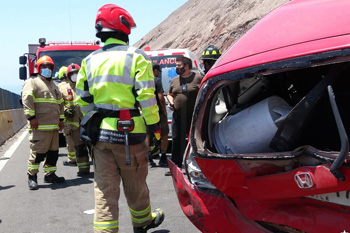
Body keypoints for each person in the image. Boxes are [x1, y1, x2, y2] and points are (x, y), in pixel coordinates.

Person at [76, 4, 164, 233]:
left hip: (100, 135)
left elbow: (83, 100)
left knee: (104, 190)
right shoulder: (136, 57)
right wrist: (154, 129)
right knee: (135, 183)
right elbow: (146, 97)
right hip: (130, 133)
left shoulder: (89, 61)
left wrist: (93, 119)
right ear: (123, 29)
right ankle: (142, 223)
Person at [22, 55, 66, 190]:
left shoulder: (54, 85)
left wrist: (61, 120)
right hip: (39, 126)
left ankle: (50, 175)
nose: (47, 69)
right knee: (38, 153)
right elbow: (27, 99)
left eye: (49, 67)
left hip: (53, 127)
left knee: (53, 153)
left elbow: (60, 104)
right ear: (39, 68)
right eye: (44, 67)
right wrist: (31, 118)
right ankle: (32, 177)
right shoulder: (33, 82)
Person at [166, 56, 202, 174]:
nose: (177, 68)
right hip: (178, 115)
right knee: (177, 140)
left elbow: (203, 93)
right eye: (176, 66)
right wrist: (171, 102)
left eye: (179, 66)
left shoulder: (197, 78)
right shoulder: (175, 80)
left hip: (193, 116)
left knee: (194, 141)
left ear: (186, 66)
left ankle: (197, 166)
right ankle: (176, 166)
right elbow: (170, 94)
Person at [58, 63, 90, 176]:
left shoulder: (87, 85)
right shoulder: (63, 89)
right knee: (79, 148)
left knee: (95, 147)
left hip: (89, 122)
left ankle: (101, 170)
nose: (74, 76)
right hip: (74, 124)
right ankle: (83, 169)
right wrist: (66, 111)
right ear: (68, 76)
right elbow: (59, 104)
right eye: (72, 74)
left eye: (76, 73)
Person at [146, 65, 169, 167]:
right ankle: (163, 157)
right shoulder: (157, 80)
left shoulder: (143, 81)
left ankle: (149, 158)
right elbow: (160, 96)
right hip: (158, 112)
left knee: (147, 135)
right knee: (164, 134)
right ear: (155, 71)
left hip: (147, 112)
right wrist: (164, 110)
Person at [57, 66, 77, 165]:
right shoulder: (78, 85)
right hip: (79, 117)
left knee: (69, 138)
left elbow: (59, 104)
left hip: (67, 119)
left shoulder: (59, 87)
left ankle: (72, 158)